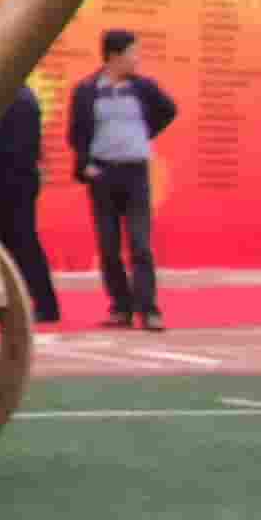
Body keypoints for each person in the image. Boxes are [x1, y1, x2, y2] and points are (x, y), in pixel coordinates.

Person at [68, 29, 177, 331]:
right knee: (109, 246)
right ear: (114, 56)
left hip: (136, 173)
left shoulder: (143, 87)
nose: (137, 59)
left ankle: (149, 310)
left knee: (140, 244)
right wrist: (86, 166)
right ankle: (120, 307)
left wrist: (142, 135)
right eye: (133, 53)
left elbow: (169, 111)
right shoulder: (87, 90)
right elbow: (76, 134)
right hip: (103, 175)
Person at [0, 82, 61, 325]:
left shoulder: (18, 99)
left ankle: (45, 305)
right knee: (9, 246)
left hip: (13, 182)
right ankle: (19, 303)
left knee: (23, 245)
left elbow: (12, 148)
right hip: (8, 182)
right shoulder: (8, 95)